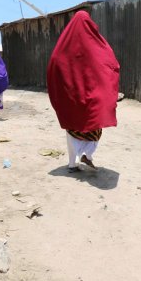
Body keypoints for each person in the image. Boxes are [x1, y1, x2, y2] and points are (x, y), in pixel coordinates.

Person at [47, 10, 120, 172]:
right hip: (92, 95)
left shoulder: (62, 46)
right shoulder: (97, 44)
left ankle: (73, 163)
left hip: (70, 95)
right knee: (94, 122)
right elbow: (109, 63)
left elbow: (54, 64)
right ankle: (87, 153)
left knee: (71, 127)